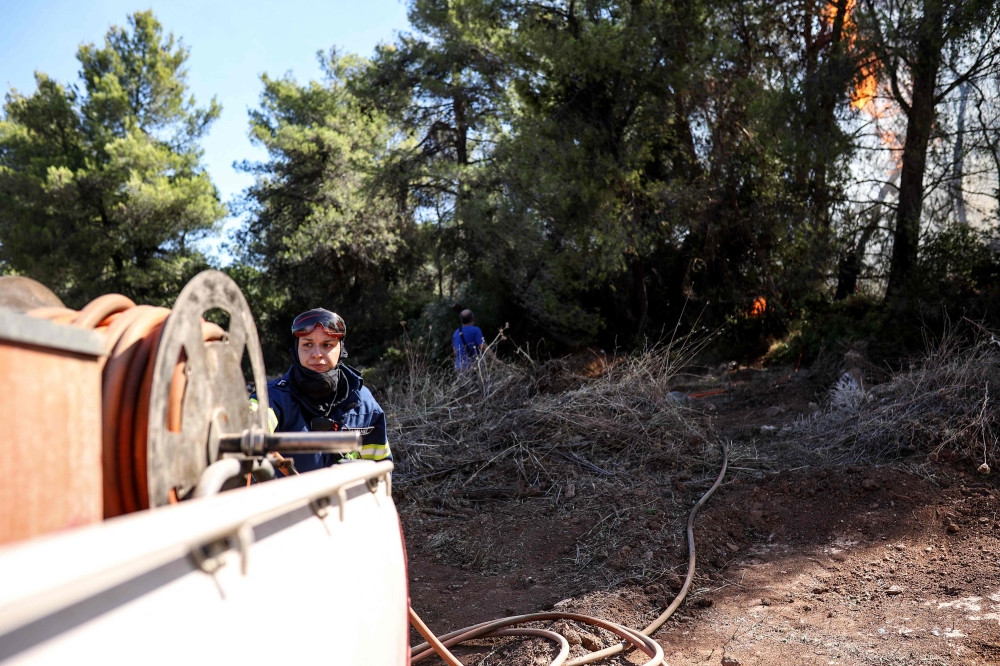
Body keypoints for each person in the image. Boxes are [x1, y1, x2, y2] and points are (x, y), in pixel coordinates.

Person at [250, 308, 391, 474]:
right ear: (296, 349)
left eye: (327, 345)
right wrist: (255, 431)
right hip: (285, 499)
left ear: (341, 349)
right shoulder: (271, 397)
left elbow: (380, 474)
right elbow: (250, 426)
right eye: (308, 344)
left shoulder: (364, 405)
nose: (317, 354)